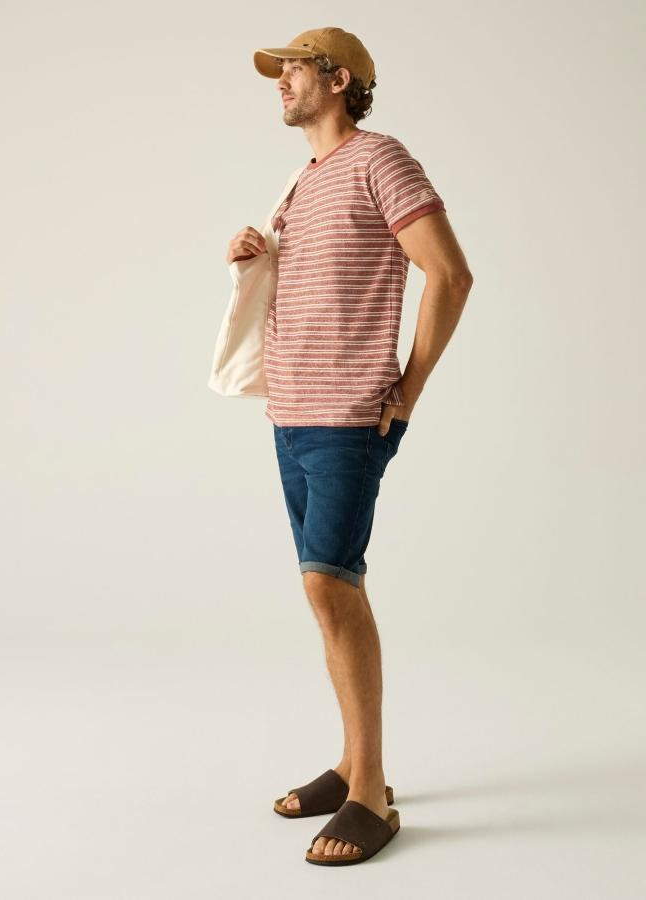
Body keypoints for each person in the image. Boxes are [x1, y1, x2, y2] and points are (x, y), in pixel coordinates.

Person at [225, 27, 473, 866]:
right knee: (326, 590)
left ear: (338, 80)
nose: (281, 81)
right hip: (291, 415)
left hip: (347, 416)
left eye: (293, 68)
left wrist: (408, 389)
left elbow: (450, 274)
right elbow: (323, 280)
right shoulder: (305, 179)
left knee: (331, 587)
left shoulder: (379, 159)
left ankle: (371, 794)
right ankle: (352, 763)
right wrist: (260, 254)